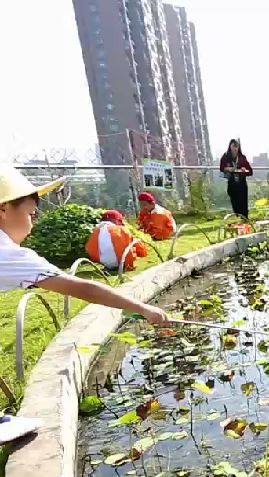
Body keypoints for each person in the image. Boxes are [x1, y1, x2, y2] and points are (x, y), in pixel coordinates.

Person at [0, 167, 167, 443]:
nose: (34, 221)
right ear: (4, 209)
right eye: (30, 214)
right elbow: (81, 287)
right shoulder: (7, 254)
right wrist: (144, 309)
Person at [219, 139, 253, 219]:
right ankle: (239, 218)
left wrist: (244, 170)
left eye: (236, 146)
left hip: (242, 184)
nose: (235, 148)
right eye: (233, 146)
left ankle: (245, 219)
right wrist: (227, 169)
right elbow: (221, 168)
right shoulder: (225, 157)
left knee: (243, 204)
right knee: (235, 204)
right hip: (232, 184)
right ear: (230, 146)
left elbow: (250, 172)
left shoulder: (242, 158)